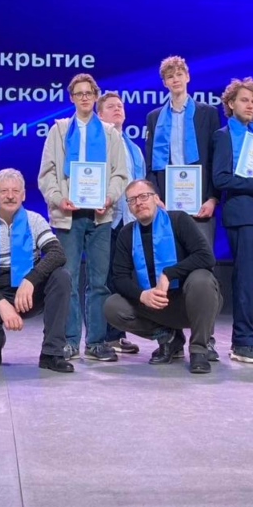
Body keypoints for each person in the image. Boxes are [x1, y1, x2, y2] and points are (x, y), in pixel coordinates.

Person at [37, 73, 128, 362]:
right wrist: (57, 199)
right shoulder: (59, 131)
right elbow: (47, 173)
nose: (85, 97)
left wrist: (109, 197)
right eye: (79, 93)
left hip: (101, 217)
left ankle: (97, 342)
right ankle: (69, 341)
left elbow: (120, 174)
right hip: (68, 216)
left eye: (89, 93)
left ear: (95, 96)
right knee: (69, 280)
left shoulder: (111, 134)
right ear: (72, 98)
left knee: (99, 283)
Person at [104, 180, 221, 374]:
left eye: (144, 196)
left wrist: (168, 273)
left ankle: (199, 349)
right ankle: (169, 338)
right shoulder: (127, 233)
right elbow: (119, 278)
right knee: (112, 306)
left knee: (201, 279)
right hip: (155, 305)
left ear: (156, 199)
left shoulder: (178, 220)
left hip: (190, 302)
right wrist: (142, 295)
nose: (139, 202)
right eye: (132, 200)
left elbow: (206, 257)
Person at [0, 169, 74, 373]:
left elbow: (57, 253)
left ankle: (52, 353)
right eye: (4, 191)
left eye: (15, 191)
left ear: (23, 195)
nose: (10, 196)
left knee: (61, 277)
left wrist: (30, 280)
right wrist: (2, 304)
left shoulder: (35, 220)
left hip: (30, 292)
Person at [211, 77, 253, 364]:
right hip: (241, 215)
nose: (250, 105)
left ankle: (248, 336)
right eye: (244, 100)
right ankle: (242, 342)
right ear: (230, 103)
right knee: (245, 280)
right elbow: (221, 178)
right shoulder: (224, 135)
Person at [145, 56, 221, 248]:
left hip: (200, 202)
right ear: (165, 83)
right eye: (170, 77)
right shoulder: (154, 117)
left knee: (202, 257)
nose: (175, 79)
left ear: (187, 77)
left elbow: (215, 160)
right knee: (170, 257)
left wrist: (213, 199)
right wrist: (156, 197)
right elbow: (151, 164)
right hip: (166, 202)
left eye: (179, 74)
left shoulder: (208, 113)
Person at [96, 91, 143, 355]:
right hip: (107, 219)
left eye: (120, 106)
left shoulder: (134, 148)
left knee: (123, 279)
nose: (117, 109)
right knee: (104, 279)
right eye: (111, 106)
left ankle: (116, 334)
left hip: (130, 223)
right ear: (99, 114)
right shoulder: (97, 143)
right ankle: (101, 335)